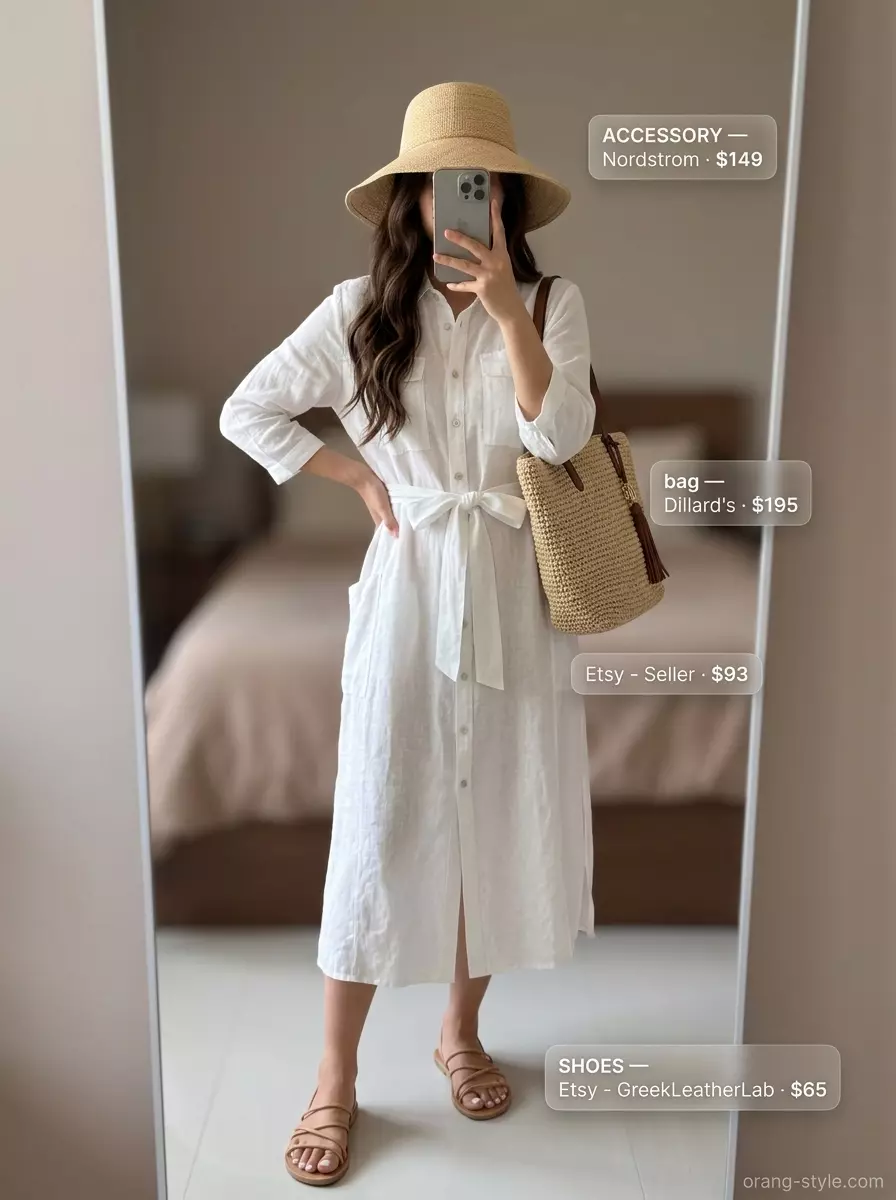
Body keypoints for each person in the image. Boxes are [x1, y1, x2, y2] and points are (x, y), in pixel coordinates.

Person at [219, 80, 595, 1186]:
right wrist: (352, 474)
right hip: (412, 584)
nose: (458, 204)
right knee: (382, 818)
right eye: (441, 185)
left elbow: (562, 435)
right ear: (411, 198)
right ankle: (334, 1077)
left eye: (478, 185)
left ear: (506, 199)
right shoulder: (357, 310)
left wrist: (511, 315)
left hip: (517, 588)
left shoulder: (556, 299)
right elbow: (252, 407)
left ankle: (457, 1035)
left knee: (486, 820)